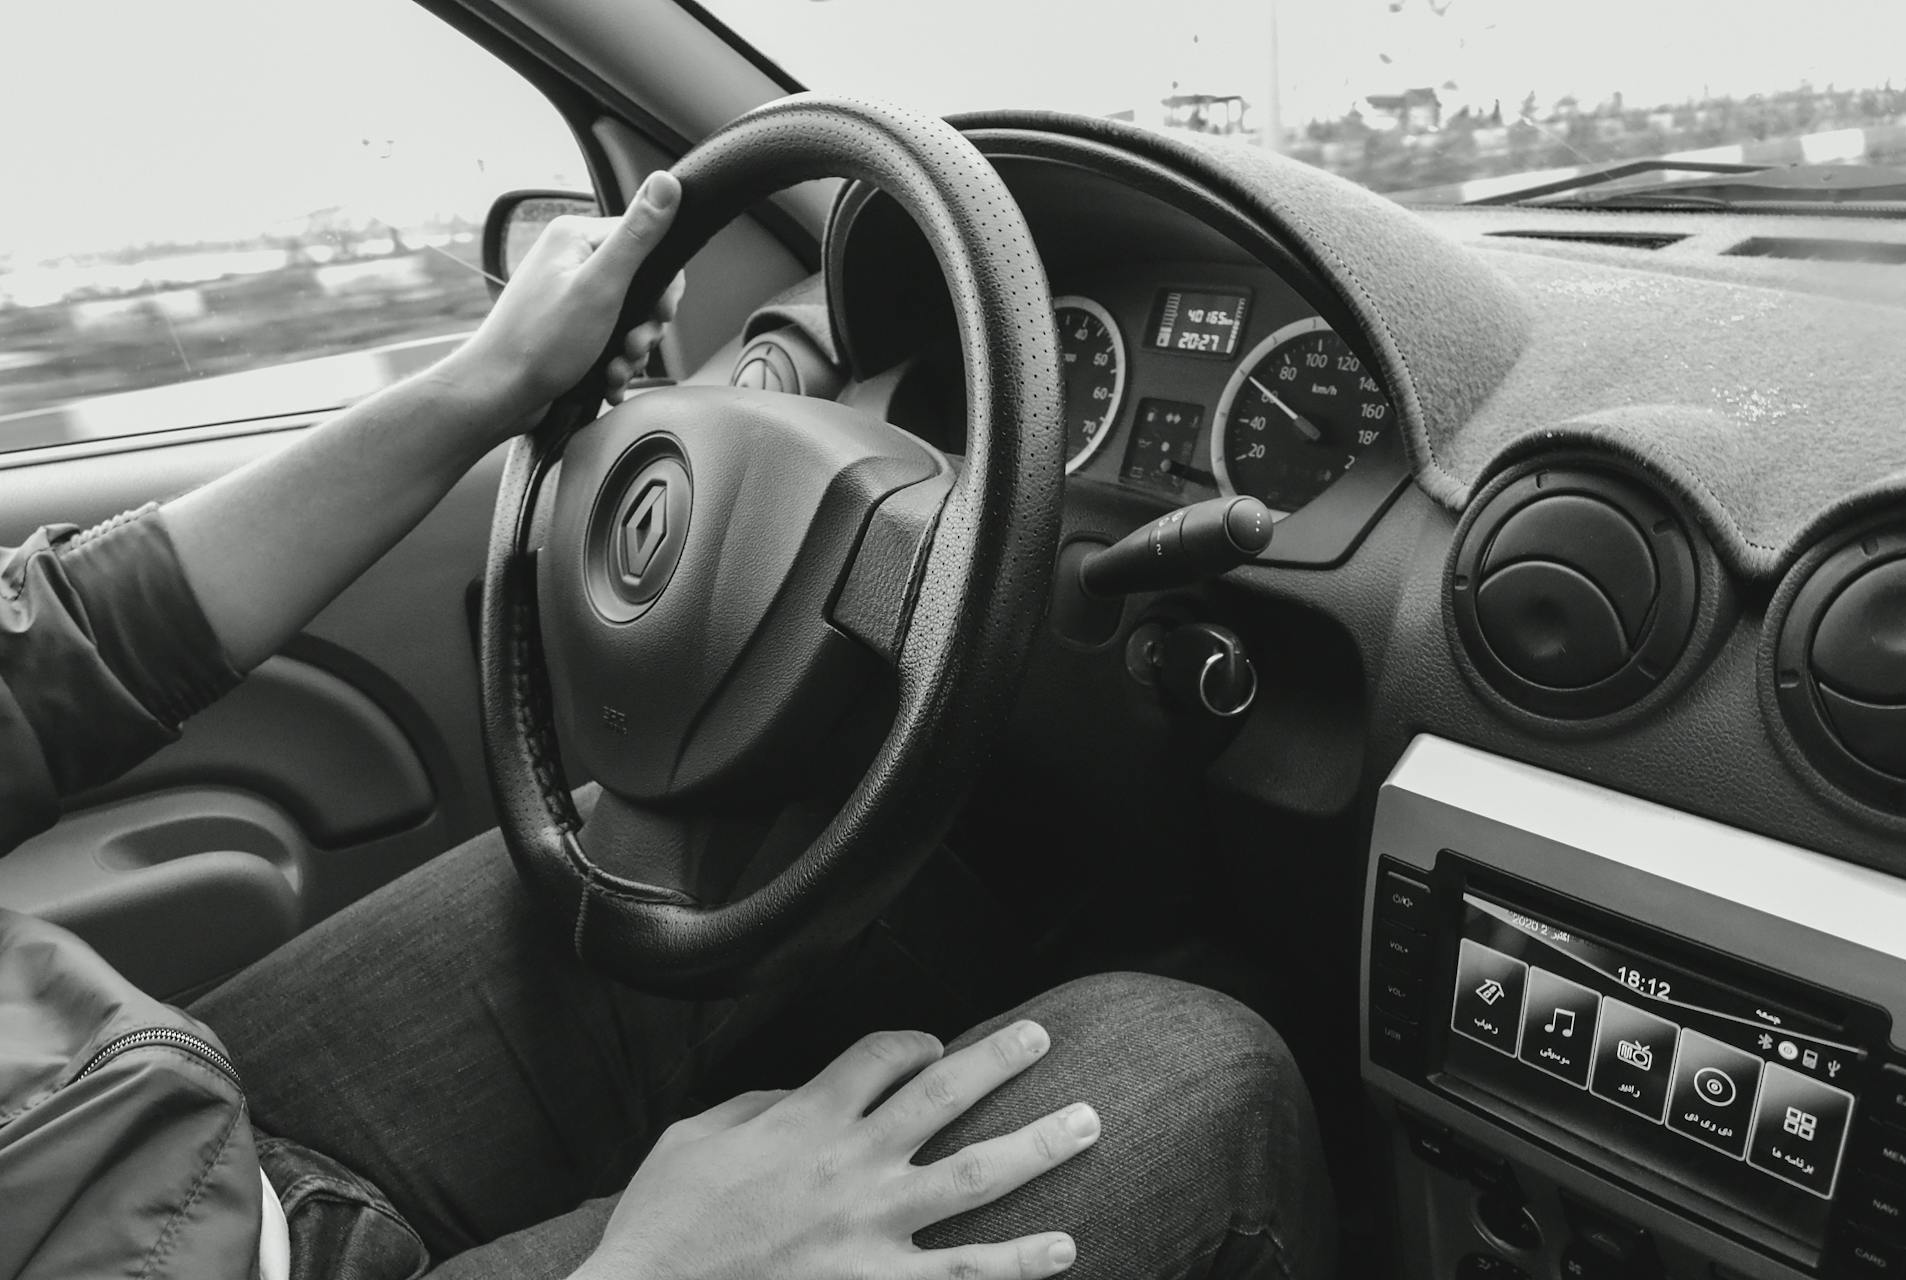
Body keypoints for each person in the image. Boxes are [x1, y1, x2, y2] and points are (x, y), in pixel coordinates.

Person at [0, 171, 1337, 1280]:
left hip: (136, 1130)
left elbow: (52, 663)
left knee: (758, 839)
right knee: (1201, 1064)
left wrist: (494, 378)